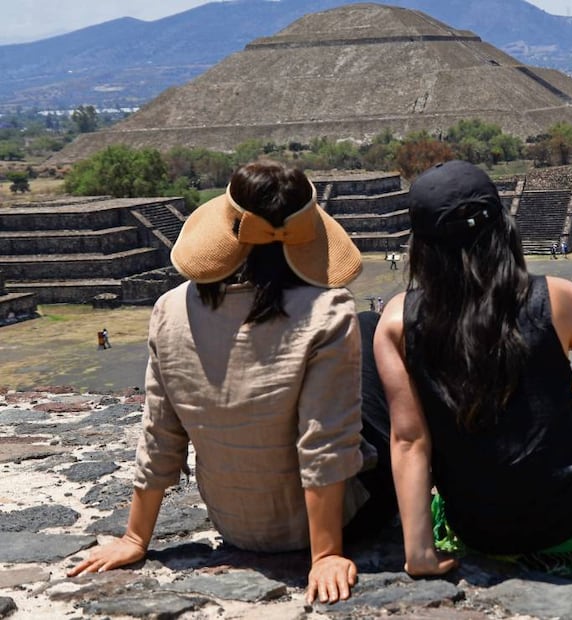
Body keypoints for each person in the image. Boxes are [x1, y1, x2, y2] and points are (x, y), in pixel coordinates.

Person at [69, 161, 395, 605]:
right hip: (332, 523)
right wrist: (326, 555)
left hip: (233, 522)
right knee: (374, 326)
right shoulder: (327, 312)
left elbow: (160, 434)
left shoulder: (170, 310)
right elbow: (326, 443)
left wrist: (134, 538)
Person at [374, 161, 572, 576]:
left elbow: (408, 440)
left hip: (481, 531)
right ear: (503, 229)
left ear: (421, 246)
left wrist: (419, 552)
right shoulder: (554, 298)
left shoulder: (397, 321)